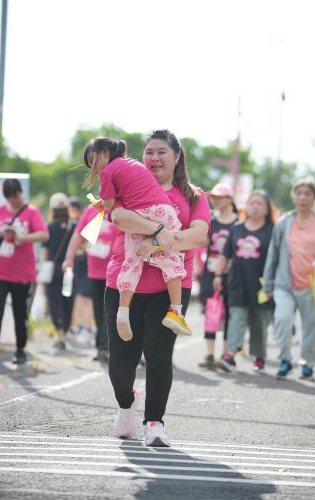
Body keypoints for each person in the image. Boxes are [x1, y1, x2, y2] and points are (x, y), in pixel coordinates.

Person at [102, 129, 210, 446]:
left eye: (162, 151)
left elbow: (197, 235)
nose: (154, 157)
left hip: (170, 288)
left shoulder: (193, 195)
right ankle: (126, 404)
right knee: (121, 363)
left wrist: (154, 242)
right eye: (149, 151)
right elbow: (119, 217)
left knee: (159, 356)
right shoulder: (127, 188)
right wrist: (159, 230)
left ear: (177, 157)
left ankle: (154, 422)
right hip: (124, 286)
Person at [83, 136, 192, 341]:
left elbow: (110, 204)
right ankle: (176, 311)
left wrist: (104, 205)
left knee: (131, 261)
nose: (94, 168)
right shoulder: (132, 164)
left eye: (93, 160)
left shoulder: (107, 171)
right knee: (171, 258)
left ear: (105, 153)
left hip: (136, 217)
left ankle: (123, 311)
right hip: (160, 212)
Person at [263, 178, 315, 379]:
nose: (302, 197)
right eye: (299, 193)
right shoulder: (284, 223)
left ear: (313, 197)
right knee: (282, 319)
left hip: (312, 284)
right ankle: (285, 359)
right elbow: (273, 253)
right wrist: (268, 283)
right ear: (294, 196)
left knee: (310, 325)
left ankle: (308, 363)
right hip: (284, 283)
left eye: (307, 194)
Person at [214, 190, 274, 373]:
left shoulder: (273, 230)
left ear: (266, 209)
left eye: (259, 204)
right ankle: (230, 355)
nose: (254, 206)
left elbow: (279, 258)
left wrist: (274, 283)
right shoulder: (236, 229)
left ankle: (260, 356)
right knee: (236, 319)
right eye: (251, 203)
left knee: (259, 322)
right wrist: (218, 275)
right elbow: (225, 255)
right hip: (237, 283)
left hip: (262, 286)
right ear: (246, 207)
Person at [0, 178, 48, 365]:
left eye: (15, 195)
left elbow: (43, 234)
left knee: (20, 313)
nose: (13, 200)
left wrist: (21, 236)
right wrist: (3, 232)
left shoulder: (31, 211)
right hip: (0, 271)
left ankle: (20, 350)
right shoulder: (0, 212)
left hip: (23, 274)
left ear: (20, 192)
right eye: (9, 197)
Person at [63, 203, 118, 362]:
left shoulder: (121, 208)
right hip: (94, 270)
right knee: (98, 310)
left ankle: (105, 347)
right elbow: (77, 235)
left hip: (115, 270)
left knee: (109, 309)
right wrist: (69, 258)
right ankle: (101, 346)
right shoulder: (91, 209)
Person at [198, 183, 239, 369]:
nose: (215, 201)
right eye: (213, 197)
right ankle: (209, 354)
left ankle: (226, 353)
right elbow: (201, 242)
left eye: (219, 197)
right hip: (210, 273)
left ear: (229, 199)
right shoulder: (210, 222)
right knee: (211, 312)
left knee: (230, 314)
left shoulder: (239, 224)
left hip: (232, 274)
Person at [40, 193, 76, 351]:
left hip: (53, 272)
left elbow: (45, 252)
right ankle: (64, 332)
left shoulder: (49, 227)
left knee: (55, 303)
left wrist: (41, 270)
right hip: (70, 271)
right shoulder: (74, 226)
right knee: (68, 302)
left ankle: (60, 335)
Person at [68, 197, 95, 340]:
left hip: (87, 262)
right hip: (77, 263)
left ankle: (87, 326)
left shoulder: (88, 218)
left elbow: (89, 242)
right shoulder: (71, 223)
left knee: (85, 296)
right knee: (77, 295)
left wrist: (81, 246)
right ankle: (79, 326)